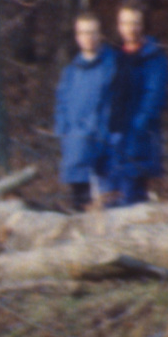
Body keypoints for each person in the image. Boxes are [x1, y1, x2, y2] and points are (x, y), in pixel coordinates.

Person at [52, 14, 124, 213]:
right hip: (76, 143)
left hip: (106, 142)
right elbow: (62, 104)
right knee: (80, 205)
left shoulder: (113, 65)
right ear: (77, 36)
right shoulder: (71, 71)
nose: (88, 37)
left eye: (92, 32)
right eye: (83, 32)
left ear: (100, 35)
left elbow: (118, 104)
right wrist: (64, 132)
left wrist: (110, 133)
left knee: (110, 204)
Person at [103, 4, 168, 207]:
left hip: (137, 140)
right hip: (111, 139)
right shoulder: (114, 57)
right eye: (125, 22)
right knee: (108, 202)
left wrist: (135, 128)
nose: (130, 28)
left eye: (135, 23)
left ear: (143, 26)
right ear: (118, 25)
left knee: (131, 202)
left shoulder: (154, 57)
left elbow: (154, 99)